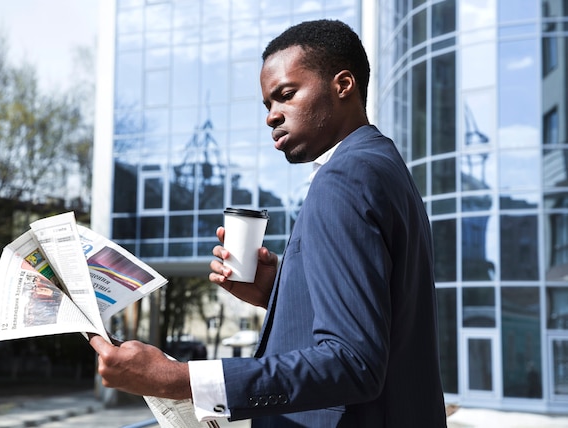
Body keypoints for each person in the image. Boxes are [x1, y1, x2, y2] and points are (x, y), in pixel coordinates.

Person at [90, 19, 447, 427]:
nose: (272, 116)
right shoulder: (384, 166)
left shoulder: (342, 178)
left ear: (343, 84)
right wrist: (282, 287)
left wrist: (180, 379)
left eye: (286, 95)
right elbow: (381, 313)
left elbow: (353, 362)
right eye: (267, 105)